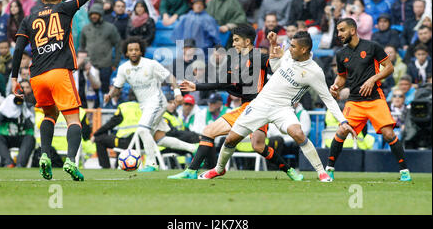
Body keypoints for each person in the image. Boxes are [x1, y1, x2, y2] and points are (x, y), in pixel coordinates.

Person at [10, 0, 116, 181]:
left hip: (36, 76)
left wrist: (15, 77)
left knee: (49, 115)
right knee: (73, 119)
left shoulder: (29, 18)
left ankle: (45, 155)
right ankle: (70, 160)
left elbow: (18, 49)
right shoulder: (65, 8)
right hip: (60, 72)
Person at [198, 30, 353, 181]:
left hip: (283, 108)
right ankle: (219, 169)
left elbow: (328, 99)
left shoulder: (314, 72)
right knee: (231, 139)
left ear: (304, 49)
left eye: (293, 46)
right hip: (261, 102)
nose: (289, 49)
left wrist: (343, 121)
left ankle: (321, 172)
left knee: (298, 133)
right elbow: (275, 68)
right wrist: (273, 47)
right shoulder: (288, 55)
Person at [168, 24, 304, 180]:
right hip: (254, 108)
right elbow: (224, 82)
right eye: (233, 40)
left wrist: (275, 46)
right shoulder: (235, 61)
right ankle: (291, 171)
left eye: (236, 40)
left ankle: (192, 171)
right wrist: (196, 86)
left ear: (247, 42)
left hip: (255, 106)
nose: (233, 44)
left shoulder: (258, 56)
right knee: (258, 145)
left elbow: (275, 64)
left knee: (208, 132)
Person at [327, 18, 412, 181]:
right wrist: (335, 86)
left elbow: (390, 68)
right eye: (338, 31)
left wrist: (373, 79)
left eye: (342, 30)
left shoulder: (372, 47)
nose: (339, 34)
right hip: (354, 101)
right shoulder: (341, 54)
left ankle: (404, 171)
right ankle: (329, 170)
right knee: (341, 131)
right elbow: (342, 77)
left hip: (375, 99)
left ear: (353, 30)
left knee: (388, 134)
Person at [104, 36, 198, 172]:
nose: (134, 52)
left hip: (157, 101)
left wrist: (177, 93)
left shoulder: (151, 64)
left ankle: (151, 163)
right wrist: (109, 95)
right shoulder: (124, 69)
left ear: (141, 51)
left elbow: (170, 78)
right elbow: (117, 87)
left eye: (136, 49)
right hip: (145, 105)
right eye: (131, 50)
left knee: (142, 129)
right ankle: (193, 148)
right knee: (159, 139)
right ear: (126, 53)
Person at [79, 2, 121, 96]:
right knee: (89, 92)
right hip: (90, 65)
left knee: (104, 90)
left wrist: (115, 63)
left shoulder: (110, 28)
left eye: (96, 14)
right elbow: (82, 48)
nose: (94, 16)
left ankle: (103, 108)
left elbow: (118, 45)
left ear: (101, 14)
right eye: (92, 14)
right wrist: (84, 63)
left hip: (105, 65)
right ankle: (92, 109)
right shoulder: (85, 29)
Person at [0, 80, 36, 167]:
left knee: (30, 139)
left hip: (22, 136)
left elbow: (31, 125)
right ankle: (8, 163)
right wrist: (6, 109)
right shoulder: (7, 104)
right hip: (7, 136)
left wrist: (23, 111)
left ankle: (20, 164)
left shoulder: (28, 106)